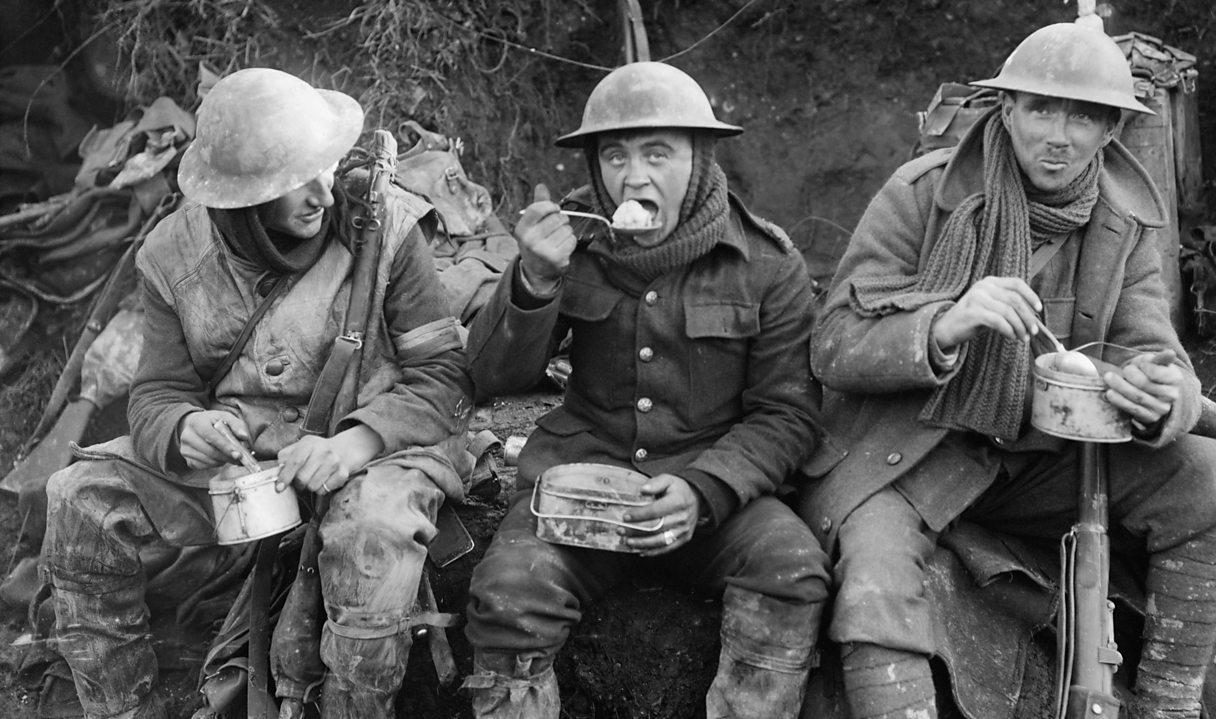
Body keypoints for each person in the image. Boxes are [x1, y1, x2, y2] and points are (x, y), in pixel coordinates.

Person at [799, 22, 1216, 719]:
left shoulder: (1124, 219)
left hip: (1046, 462)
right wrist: (944, 323)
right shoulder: (923, 194)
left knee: (1211, 474)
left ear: (1110, 130)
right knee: (874, 577)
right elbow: (831, 343)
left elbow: (1154, 351)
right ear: (1006, 109)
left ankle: (1167, 704)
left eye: (1083, 116)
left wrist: (1159, 393)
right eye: (1041, 108)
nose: (1059, 133)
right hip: (914, 453)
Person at [38, 67, 474, 719]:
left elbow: (445, 379)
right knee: (80, 498)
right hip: (250, 463)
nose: (322, 194)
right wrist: (184, 425)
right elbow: (158, 391)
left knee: (372, 540)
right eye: (292, 183)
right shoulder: (171, 253)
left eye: (323, 167)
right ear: (237, 200)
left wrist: (355, 442)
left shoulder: (386, 227)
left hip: (382, 442)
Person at [461, 61, 831, 719]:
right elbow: (495, 379)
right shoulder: (571, 246)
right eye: (615, 155)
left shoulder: (769, 265)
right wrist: (535, 281)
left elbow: (788, 412)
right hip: (583, 490)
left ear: (699, 159)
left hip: (711, 495)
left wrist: (705, 488)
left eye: (657, 153)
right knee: (508, 590)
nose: (633, 177)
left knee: (792, 568)